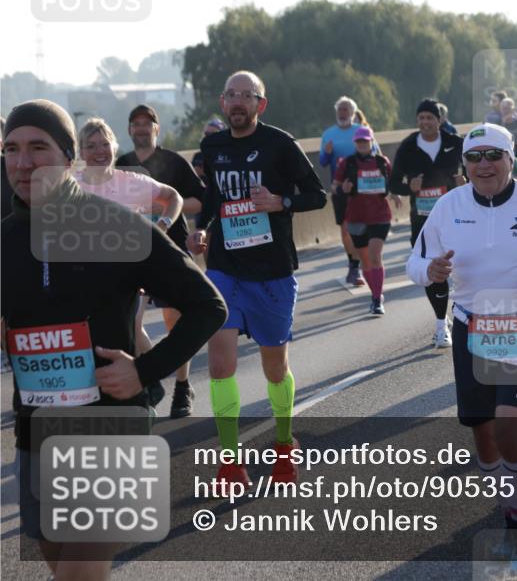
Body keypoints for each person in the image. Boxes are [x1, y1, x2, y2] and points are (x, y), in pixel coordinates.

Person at [2, 99, 226, 580]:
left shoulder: (118, 226)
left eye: (38, 148)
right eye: (12, 149)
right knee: (60, 559)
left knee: (78, 573)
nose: (23, 162)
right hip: (36, 431)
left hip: (111, 425)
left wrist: (144, 370)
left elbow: (208, 306)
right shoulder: (4, 241)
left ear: (68, 158)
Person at [406, 123, 517, 573]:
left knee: (509, 430)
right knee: (485, 443)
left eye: (493, 155)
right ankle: (511, 509)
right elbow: (415, 261)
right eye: (474, 157)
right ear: (464, 164)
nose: (483, 165)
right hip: (470, 327)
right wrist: (431, 272)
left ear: (511, 159)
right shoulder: (448, 206)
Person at [188, 71, 327, 489]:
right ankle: (230, 462)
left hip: (271, 272)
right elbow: (213, 198)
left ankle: (284, 443)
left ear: (260, 104)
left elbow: (317, 195)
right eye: (231, 95)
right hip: (224, 268)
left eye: (246, 96)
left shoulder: (280, 144)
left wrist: (281, 201)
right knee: (220, 366)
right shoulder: (212, 147)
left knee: (274, 368)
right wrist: (202, 228)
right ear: (222, 102)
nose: (237, 102)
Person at [116, 104, 207, 418]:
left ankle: (182, 387)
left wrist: (165, 206)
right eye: (136, 124)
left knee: (176, 322)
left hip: (170, 249)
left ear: (156, 128)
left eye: (147, 124)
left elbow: (199, 200)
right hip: (133, 254)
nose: (142, 129)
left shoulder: (173, 162)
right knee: (131, 322)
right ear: (130, 130)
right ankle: (152, 379)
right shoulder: (122, 165)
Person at [388, 99, 466, 348]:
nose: (425, 122)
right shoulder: (408, 147)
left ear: (439, 120)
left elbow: (478, 171)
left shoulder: (456, 143)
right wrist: (409, 188)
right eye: (421, 117)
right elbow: (393, 183)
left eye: (429, 117)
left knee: (465, 267)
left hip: (458, 217)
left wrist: (465, 182)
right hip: (423, 221)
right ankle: (441, 325)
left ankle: (466, 313)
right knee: (435, 271)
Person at [333, 127, 395, 315]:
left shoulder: (382, 162)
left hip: (380, 216)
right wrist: (343, 189)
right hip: (356, 217)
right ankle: (376, 294)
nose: (362, 144)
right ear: (355, 143)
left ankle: (376, 300)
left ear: (371, 142)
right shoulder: (347, 163)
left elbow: (393, 183)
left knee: (375, 256)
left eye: (365, 141)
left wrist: (395, 194)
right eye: (359, 141)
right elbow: (334, 187)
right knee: (366, 262)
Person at [319, 96, 367, 287]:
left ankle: (359, 264)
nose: (342, 113)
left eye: (346, 109)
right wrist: (328, 152)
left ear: (353, 113)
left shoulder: (362, 131)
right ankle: (353, 265)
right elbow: (323, 162)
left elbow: (375, 155)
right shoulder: (328, 134)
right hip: (340, 188)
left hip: (363, 188)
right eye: (340, 109)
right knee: (346, 229)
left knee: (361, 228)